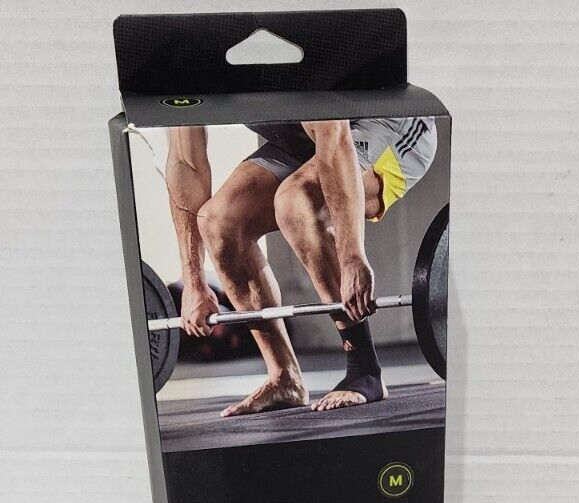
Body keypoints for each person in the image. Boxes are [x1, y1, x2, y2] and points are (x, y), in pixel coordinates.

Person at [164, 117, 437, 417]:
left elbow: (334, 137)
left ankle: (364, 368)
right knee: (218, 223)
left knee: (297, 200)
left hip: (388, 125)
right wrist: (193, 281)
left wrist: (351, 256)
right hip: (302, 140)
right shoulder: (183, 88)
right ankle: (284, 378)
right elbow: (186, 163)